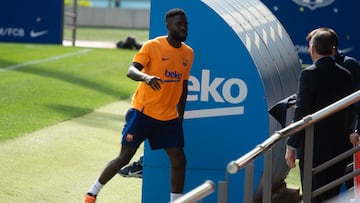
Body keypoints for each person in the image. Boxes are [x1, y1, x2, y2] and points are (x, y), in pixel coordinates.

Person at [83, 8, 194, 203]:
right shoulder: (152, 46)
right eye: (179, 24)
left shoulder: (188, 53)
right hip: (143, 111)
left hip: (168, 117)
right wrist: (147, 77)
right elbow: (131, 70)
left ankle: (176, 201)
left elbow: (183, 87)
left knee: (179, 159)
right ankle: (92, 193)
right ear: (168, 26)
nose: (184, 27)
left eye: (185, 24)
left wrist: (180, 116)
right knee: (124, 157)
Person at [285, 29, 355, 202]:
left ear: (312, 49)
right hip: (339, 148)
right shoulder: (346, 74)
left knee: (312, 196)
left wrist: (291, 145)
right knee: (331, 196)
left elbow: (302, 112)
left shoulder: (309, 73)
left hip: (313, 149)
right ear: (333, 50)